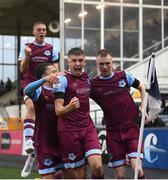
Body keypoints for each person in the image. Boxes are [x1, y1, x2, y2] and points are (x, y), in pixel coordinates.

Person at [90, 49, 148, 179]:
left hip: (131, 130)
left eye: (107, 63)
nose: (104, 67)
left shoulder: (123, 76)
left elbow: (142, 88)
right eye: (101, 64)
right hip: (113, 134)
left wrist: (143, 108)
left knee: (136, 170)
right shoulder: (93, 84)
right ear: (96, 64)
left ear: (112, 63)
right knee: (121, 175)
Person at [53, 47, 104, 179]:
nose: (77, 63)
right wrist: (69, 107)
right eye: (74, 60)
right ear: (68, 62)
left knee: (98, 167)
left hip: (87, 128)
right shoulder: (62, 80)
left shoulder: (87, 79)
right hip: (68, 131)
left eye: (80, 60)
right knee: (80, 175)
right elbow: (58, 110)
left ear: (85, 62)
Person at [18, 21, 59, 154]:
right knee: (31, 107)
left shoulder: (51, 49)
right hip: (30, 83)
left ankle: (41, 143)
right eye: (39, 30)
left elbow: (56, 70)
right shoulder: (26, 47)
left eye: (44, 30)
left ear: (46, 32)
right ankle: (29, 140)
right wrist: (27, 56)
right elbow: (22, 70)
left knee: (47, 114)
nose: (41, 32)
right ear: (33, 32)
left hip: (47, 86)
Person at [24, 63, 63, 179]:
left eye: (56, 70)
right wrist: (44, 80)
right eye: (52, 71)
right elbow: (27, 90)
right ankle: (30, 145)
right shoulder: (39, 91)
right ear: (44, 75)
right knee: (49, 176)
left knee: (61, 176)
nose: (56, 72)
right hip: (44, 142)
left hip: (61, 140)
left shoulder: (61, 89)